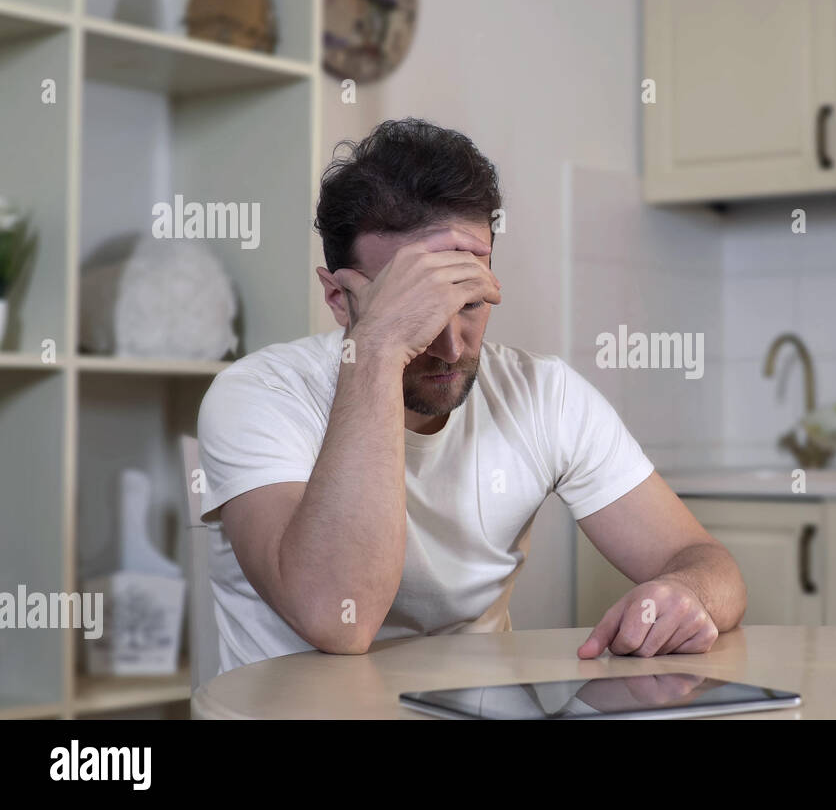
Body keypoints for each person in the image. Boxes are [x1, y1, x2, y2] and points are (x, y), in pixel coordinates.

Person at [197, 118, 745, 673]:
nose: (452, 348)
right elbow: (340, 620)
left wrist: (686, 592)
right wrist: (380, 346)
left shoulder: (543, 394)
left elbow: (708, 564)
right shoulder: (258, 395)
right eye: (417, 306)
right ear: (339, 297)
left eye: (469, 300)